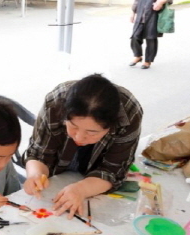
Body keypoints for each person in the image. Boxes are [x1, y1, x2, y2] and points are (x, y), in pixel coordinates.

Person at [22, 74, 143, 217]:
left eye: (92, 132)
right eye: (73, 126)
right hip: (59, 171)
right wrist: (36, 174)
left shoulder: (129, 114)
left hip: (95, 179)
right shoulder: (55, 102)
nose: (79, 137)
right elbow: (38, 153)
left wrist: (81, 190)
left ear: (110, 127)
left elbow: (113, 170)